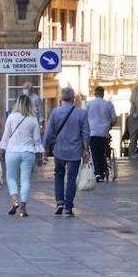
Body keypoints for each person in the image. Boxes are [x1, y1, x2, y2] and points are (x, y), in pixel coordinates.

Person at [45, 87, 90, 217]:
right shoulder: (81, 114)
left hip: (59, 151)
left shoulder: (55, 112)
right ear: (73, 98)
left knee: (58, 175)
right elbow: (86, 133)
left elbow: (48, 132)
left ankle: (59, 202)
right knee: (71, 179)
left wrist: (45, 147)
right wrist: (85, 149)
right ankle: (68, 207)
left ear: (61, 98)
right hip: (75, 152)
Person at [0, 93, 44, 217]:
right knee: (25, 180)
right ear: (30, 105)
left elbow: (6, 136)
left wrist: (0, 152)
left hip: (12, 151)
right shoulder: (33, 119)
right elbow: (37, 140)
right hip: (28, 152)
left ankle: (14, 200)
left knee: (11, 177)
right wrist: (40, 156)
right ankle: (23, 208)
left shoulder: (11, 117)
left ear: (17, 104)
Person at [84, 86, 115, 182]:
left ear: (95, 93)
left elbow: (83, 117)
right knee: (102, 152)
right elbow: (114, 119)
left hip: (92, 131)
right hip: (104, 132)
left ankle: (98, 173)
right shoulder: (109, 104)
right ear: (103, 93)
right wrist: (109, 126)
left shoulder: (89, 104)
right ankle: (102, 171)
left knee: (94, 153)